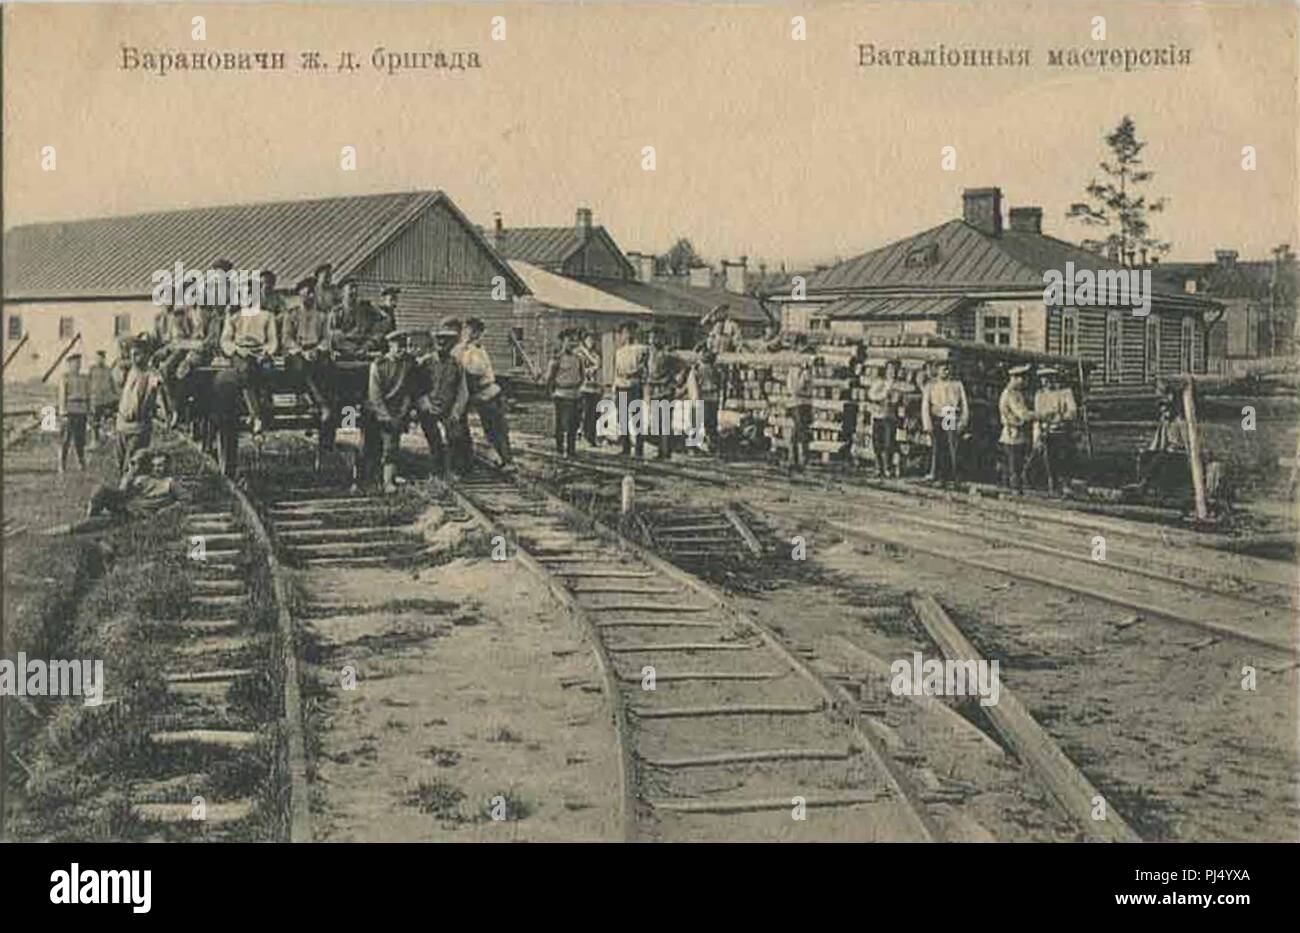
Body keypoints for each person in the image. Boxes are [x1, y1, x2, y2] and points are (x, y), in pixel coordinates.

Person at [58, 448, 181, 534]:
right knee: (100, 490)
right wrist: (131, 471)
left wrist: (166, 510)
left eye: (162, 465)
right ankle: (90, 517)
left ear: (168, 466)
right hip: (127, 508)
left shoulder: (170, 483)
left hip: (134, 516)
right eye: (155, 466)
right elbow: (123, 491)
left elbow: (184, 500)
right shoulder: (144, 479)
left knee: (89, 525)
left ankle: (52, 533)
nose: (158, 469)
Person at [219, 275, 280, 435]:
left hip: (260, 351)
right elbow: (225, 340)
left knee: (268, 370)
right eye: (245, 294)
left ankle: (266, 406)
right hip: (241, 352)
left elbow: (273, 340)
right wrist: (238, 350)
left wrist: (266, 352)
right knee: (245, 370)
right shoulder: (234, 316)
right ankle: (256, 415)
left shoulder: (267, 316)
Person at [411, 318, 469, 480]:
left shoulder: (456, 365)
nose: (442, 344)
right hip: (428, 410)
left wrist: (456, 411)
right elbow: (416, 388)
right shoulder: (425, 363)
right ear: (434, 342)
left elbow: (462, 391)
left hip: (448, 410)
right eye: (439, 340)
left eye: (446, 341)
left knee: (453, 439)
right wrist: (425, 404)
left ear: (451, 344)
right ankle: (436, 472)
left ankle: (451, 471)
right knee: (435, 440)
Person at [363, 328, 417, 493]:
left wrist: (403, 412)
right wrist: (386, 417)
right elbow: (375, 395)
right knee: (372, 445)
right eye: (397, 346)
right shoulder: (379, 365)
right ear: (390, 346)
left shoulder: (408, 364)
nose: (401, 349)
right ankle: (371, 478)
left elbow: (408, 390)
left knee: (392, 445)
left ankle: (389, 480)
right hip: (375, 410)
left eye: (404, 346)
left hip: (396, 410)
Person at [460, 317, 514, 471]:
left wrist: (461, 369)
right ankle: (499, 459)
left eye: (473, 332)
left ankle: (507, 461)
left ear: (478, 334)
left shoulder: (476, 350)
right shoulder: (465, 349)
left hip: (488, 393)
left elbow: (476, 370)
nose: (469, 334)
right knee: (489, 430)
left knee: (497, 429)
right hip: (477, 395)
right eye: (467, 331)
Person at [283, 275, 335, 426]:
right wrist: (301, 351)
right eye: (307, 293)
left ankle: (318, 402)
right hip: (297, 353)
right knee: (301, 366)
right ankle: (321, 403)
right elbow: (286, 338)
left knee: (327, 366)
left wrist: (317, 349)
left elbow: (326, 338)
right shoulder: (292, 314)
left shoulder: (322, 316)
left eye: (313, 293)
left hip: (316, 350)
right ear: (300, 295)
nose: (311, 296)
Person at [1029, 366, 1078, 494]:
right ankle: (1052, 486)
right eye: (1044, 380)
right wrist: (1036, 437)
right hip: (1047, 433)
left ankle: (1066, 485)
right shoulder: (1039, 396)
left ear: (1055, 379)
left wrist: (1060, 417)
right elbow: (1037, 417)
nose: (1047, 383)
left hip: (1063, 432)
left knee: (1065, 459)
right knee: (1049, 460)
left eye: (1049, 379)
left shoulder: (1065, 393)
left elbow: (1073, 412)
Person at [115, 341, 162, 474]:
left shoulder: (151, 374)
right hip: (122, 425)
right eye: (132, 355)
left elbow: (158, 385)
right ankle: (125, 489)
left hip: (139, 427)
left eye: (137, 355)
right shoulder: (131, 371)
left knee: (132, 465)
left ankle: (127, 491)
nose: (134, 358)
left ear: (147, 356)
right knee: (120, 463)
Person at [920, 360, 969, 484]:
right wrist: (927, 423)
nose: (945, 371)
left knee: (952, 445)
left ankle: (955, 475)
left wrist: (963, 420)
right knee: (938, 446)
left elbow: (964, 403)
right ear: (937, 371)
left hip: (949, 414)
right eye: (942, 369)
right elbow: (925, 406)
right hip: (937, 415)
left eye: (947, 369)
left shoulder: (957, 384)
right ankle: (939, 475)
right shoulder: (930, 385)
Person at [544, 328, 585, 457]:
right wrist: (551, 391)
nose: (571, 343)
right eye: (569, 340)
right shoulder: (557, 359)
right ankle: (560, 449)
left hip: (575, 394)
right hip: (561, 394)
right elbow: (549, 378)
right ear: (562, 342)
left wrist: (578, 388)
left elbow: (582, 375)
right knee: (562, 424)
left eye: (574, 340)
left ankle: (571, 450)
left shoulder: (578, 358)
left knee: (574, 424)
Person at [643, 327, 682, 460]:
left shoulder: (668, 354)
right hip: (654, 392)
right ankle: (661, 451)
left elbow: (681, 367)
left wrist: (675, 382)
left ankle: (666, 452)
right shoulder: (649, 354)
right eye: (651, 338)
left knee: (665, 422)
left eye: (654, 338)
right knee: (657, 423)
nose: (652, 340)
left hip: (665, 391)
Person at [998, 364, 1037, 494]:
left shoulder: (1016, 393)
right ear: (1015, 378)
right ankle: (1013, 490)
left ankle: (1011, 488)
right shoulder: (1011, 394)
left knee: (1015, 463)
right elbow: (1023, 414)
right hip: (1013, 434)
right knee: (1014, 464)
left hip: (1017, 433)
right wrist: (1040, 414)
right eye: (1023, 378)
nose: (1025, 381)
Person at [613, 320, 647, 458]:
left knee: (637, 418)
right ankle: (625, 447)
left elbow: (644, 368)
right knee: (622, 418)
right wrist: (614, 388)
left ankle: (639, 449)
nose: (628, 335)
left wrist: (632, 373)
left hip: (634, 387)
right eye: (625, 332)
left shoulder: (641, 349)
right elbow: (616, 371)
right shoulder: (619, 352)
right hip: (621, 387)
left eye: (631, 331)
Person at [866, 359, 904, 479]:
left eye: (894, 370)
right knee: (877, 443)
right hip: (878, 416)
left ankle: (888, 468)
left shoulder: (898, 385)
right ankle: (878, 467)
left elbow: (896, 400)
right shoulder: (880, 382)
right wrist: (883, 396)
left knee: (889, 443)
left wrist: (888, 398)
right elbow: (871, 394)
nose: (892, 372)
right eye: (889, 369)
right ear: (886, 370)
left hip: (890, 417)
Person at [57, 351, 91, 472]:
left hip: (81, 411)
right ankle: (62, 464)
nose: (77, 365)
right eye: (75, 363)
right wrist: (63, 413)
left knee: (80, 439)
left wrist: (89, 411)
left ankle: (81, 463)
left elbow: (88, 396)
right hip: (69, 411)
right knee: (65, 439)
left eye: (79, 363)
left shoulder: (84, 378)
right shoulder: (65, 378)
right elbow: (62, 396)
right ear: (69, 364)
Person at [686, 347, 722, 454]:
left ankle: (711, 446)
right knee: (698, 424)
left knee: (709, 424)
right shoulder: (696, 369)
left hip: (709, 398)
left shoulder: (714, 369)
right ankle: (694, 447)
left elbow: (719, 385)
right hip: (701, 398)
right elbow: (693, 386)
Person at [785, 350, 815, 472]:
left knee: (799, 431)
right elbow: (796, 387)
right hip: (799, 403)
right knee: (799, 431)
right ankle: (797, 460)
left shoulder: (803, 371)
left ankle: (796, 460)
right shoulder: (797, 371)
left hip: (801, 403)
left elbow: (801, 387)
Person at [87, 349, 119, 449]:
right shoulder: (92, 369)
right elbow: (88, 383)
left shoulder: (108, 370)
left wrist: (116, 395)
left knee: (113, 417)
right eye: (98, 358)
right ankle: (95, 441)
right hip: (96, 400)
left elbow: (112, 383)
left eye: (101, 358)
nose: (99, 360)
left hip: (107, 399)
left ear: (104, 359)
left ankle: (112, 436)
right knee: (95, 421)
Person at [575, 330, 603, 447]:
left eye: (593, 339)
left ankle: (592, 436)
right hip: (584, 387)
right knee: (584, 413)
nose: (591, 342)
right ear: (584, 340)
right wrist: (589, 370)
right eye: (589, 339)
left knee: (595, 414)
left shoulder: (596, 355)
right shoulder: (579, 353)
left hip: (595, 388)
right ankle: (583, 436)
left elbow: (599, 368)